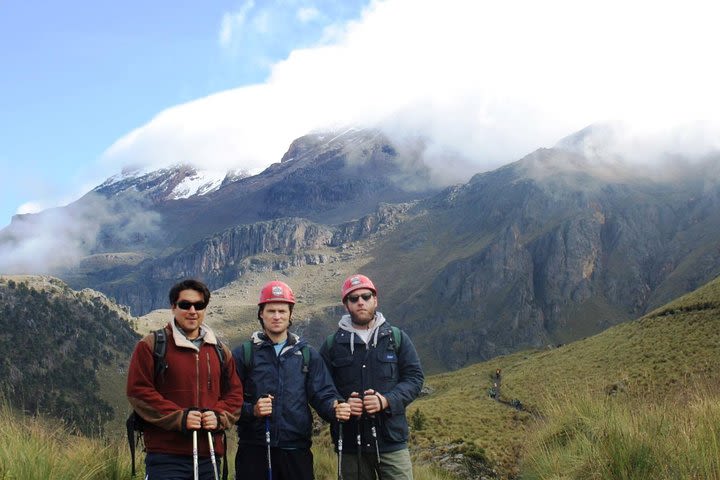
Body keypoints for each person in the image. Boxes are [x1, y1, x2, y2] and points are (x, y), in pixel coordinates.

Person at [232, 280, 351, 480]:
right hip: (254, 450)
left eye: (282, 311)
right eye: (271, 311)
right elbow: (228, 401)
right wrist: (252, 410)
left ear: (290, 315)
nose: (277, 316)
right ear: (261, 313)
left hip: (296, 450)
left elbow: (323, 393)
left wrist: (335, 406)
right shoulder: (244, 354)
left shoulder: (307, 355)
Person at [127, 278, 244, 479]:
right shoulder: (151, 345)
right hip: (166, 456)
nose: (192, 310)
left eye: (199, 305)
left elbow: (235, 395)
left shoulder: (220, 351)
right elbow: (138, 392)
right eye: (185, 305)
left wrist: (218, 417)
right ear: (173, 307)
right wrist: (179, 418)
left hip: (209, 454)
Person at [320, 274, 425, 480]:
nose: (360, 302)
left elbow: (414, 378)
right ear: (346, 305)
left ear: (375, 300)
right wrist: (339, 405)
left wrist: (386, 400)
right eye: (353, 298)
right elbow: (320, 389)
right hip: (350, 445)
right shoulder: (332, 345)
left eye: (366, 296)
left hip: (391, 442)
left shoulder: (396, 338)